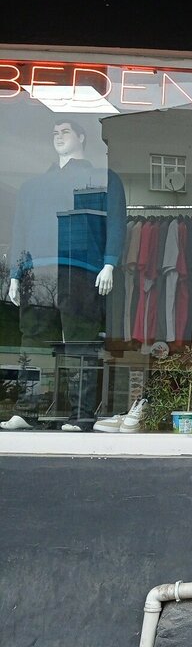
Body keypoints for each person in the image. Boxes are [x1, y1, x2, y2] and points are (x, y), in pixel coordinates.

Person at [1, 119, 126, 432]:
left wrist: (109, 263)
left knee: (80, 341)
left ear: (81, 137)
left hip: (81, 269)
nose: (58, 137)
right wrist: (15, 273)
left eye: (65, 131)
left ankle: (81, 415)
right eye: (55, 133)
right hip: (36, 271)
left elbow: (116, 223)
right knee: (33, 340)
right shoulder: (33, 186)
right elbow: (20, 230)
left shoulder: (103, 179)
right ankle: (27, 410)